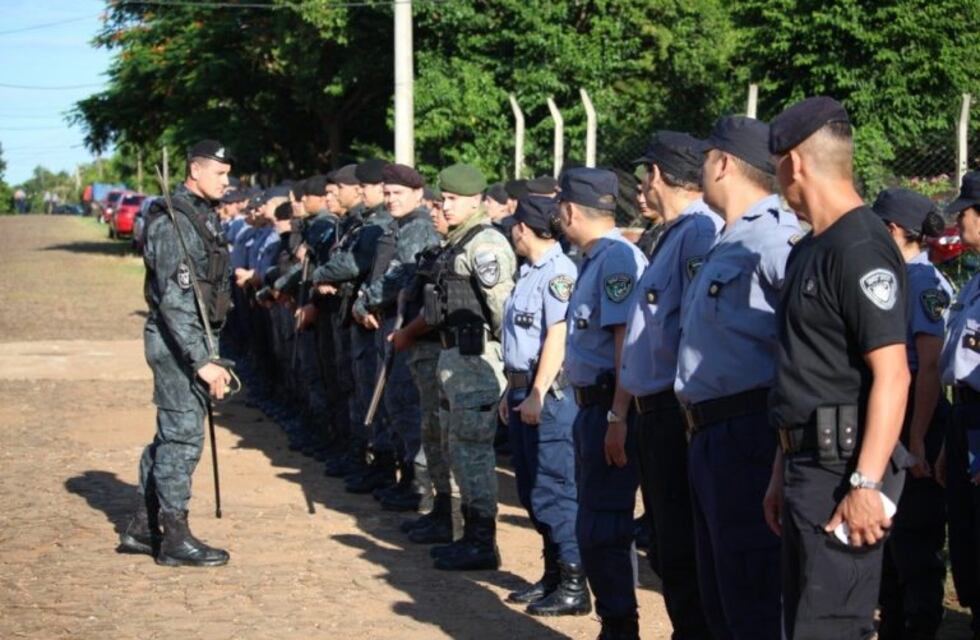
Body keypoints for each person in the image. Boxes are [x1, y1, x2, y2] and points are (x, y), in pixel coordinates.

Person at [764, 96, 911, 638]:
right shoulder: (812, 248)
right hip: (808, 466)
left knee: (830, 628)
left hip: (846, 467)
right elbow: (807, 370)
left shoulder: (860, 246)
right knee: (803, 624)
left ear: (795, 162)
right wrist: (782, 468)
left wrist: (866, 482)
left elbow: (893, 374)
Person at [676, 116, 800, 640]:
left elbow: (803, 348)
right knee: (720, 592)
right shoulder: (728, 240)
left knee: (752, 593)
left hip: (749, 433)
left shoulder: (774, 241)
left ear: (722, 163)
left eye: (705, 158)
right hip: (708, 435)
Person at [391, 163, 516, 571]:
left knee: (473, 452)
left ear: (477, 200)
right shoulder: (458, 242)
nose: (444, 206)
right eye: (443, 198)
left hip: (477, 362)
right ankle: (458, 526)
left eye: (452, 199)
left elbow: (503, 313)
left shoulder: (486, 246)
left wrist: (508, 365)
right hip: (453, 361)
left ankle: (482, 541)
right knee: (453, 448)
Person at [620, 131, 720, 639]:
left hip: (672, 412)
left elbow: (695, 327)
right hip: (652, 411)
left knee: (681, 549)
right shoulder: (675, 233)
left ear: (657, 174)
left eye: (643, 175)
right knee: (667, 545)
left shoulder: (699, 233)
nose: (640, 187)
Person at [119, 140, 234, 567]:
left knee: (172, 434)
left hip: (194, 338)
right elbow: (175, 299)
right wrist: (201, 360)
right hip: (177, 343)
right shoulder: (174, 221)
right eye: (221, 173)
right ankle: (173, 536)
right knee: (183, 436)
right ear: (195, 171)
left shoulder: (200, 215)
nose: (228, 181)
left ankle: (143, 528)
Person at [559, 167, 647, 638]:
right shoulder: (595, 258)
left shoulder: (615, 259)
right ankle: (615, 622)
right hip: (591, 407)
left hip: (608, 408)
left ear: (570, 210)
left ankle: (620, 627)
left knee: (604, 526)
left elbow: (624, 344)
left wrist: (618, 415)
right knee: (595, 523)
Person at [497, 195, 589, 616]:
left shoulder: (559, 272)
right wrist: (511, 391)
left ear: (523, 227)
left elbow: (558, 334)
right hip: (522, 390)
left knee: (555, 489)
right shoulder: (530, 271)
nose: (510, 230)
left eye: (514, 223)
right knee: (532, 491)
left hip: (548, 395)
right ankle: (553, 575)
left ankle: (574, 583)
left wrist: (535, 391)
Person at [872, 187, 953, 640]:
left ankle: (917, 626)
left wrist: (918, 439)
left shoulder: (921, 282)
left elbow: (929, 369)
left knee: (914, 536)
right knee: (889, 534)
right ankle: (895, 621)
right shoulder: (900, 277)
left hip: (915, 420)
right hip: (896, 417)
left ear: (894, 230)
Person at [353, 163, 441, 512]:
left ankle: (421, 488)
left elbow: (398, 278)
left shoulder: (418, 228)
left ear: (418, 195)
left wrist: (364, 301)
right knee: (397, 404)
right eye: (386, 193)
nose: (390, 200)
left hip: (409, 328)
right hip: (394, 323)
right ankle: (409, 479)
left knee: (407, 405)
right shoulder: (401, 226)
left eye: (397, 194)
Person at [937, 170, 980, 638]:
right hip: (965, 415)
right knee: (966, 541)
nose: (959, 220)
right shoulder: (972, 282)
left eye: (964, 212)